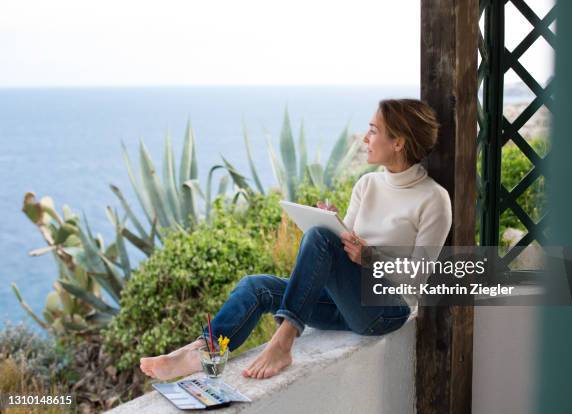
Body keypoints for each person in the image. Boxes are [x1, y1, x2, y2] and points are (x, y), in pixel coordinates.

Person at [139, 98, 452, 381]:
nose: (366, 138)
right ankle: (203, 351)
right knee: (255, 287)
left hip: (385, 309)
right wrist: (334, 225)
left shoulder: (433, 200)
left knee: (320, 238)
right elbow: (347, 249)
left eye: (373, 130)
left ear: (398, 142)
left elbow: (417, 281)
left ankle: (283, 341)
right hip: (347, 301)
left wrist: (368, 257)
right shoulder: (367, 184)